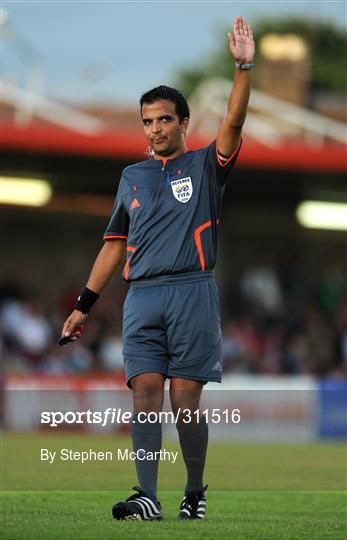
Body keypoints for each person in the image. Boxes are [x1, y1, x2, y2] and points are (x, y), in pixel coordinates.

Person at [61, 15, 255, 521]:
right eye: (147, 121)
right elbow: (112, 246)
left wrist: (243, 66)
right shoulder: (132, 177)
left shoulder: (206, 166)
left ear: (183, 122)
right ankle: (147, 494)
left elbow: (233, 123)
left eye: (164, 119)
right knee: (144, 393)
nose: (155, 129)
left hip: (192, 291)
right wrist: (83, 305)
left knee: (184, 402)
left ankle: (194, 491)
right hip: (141, 297)